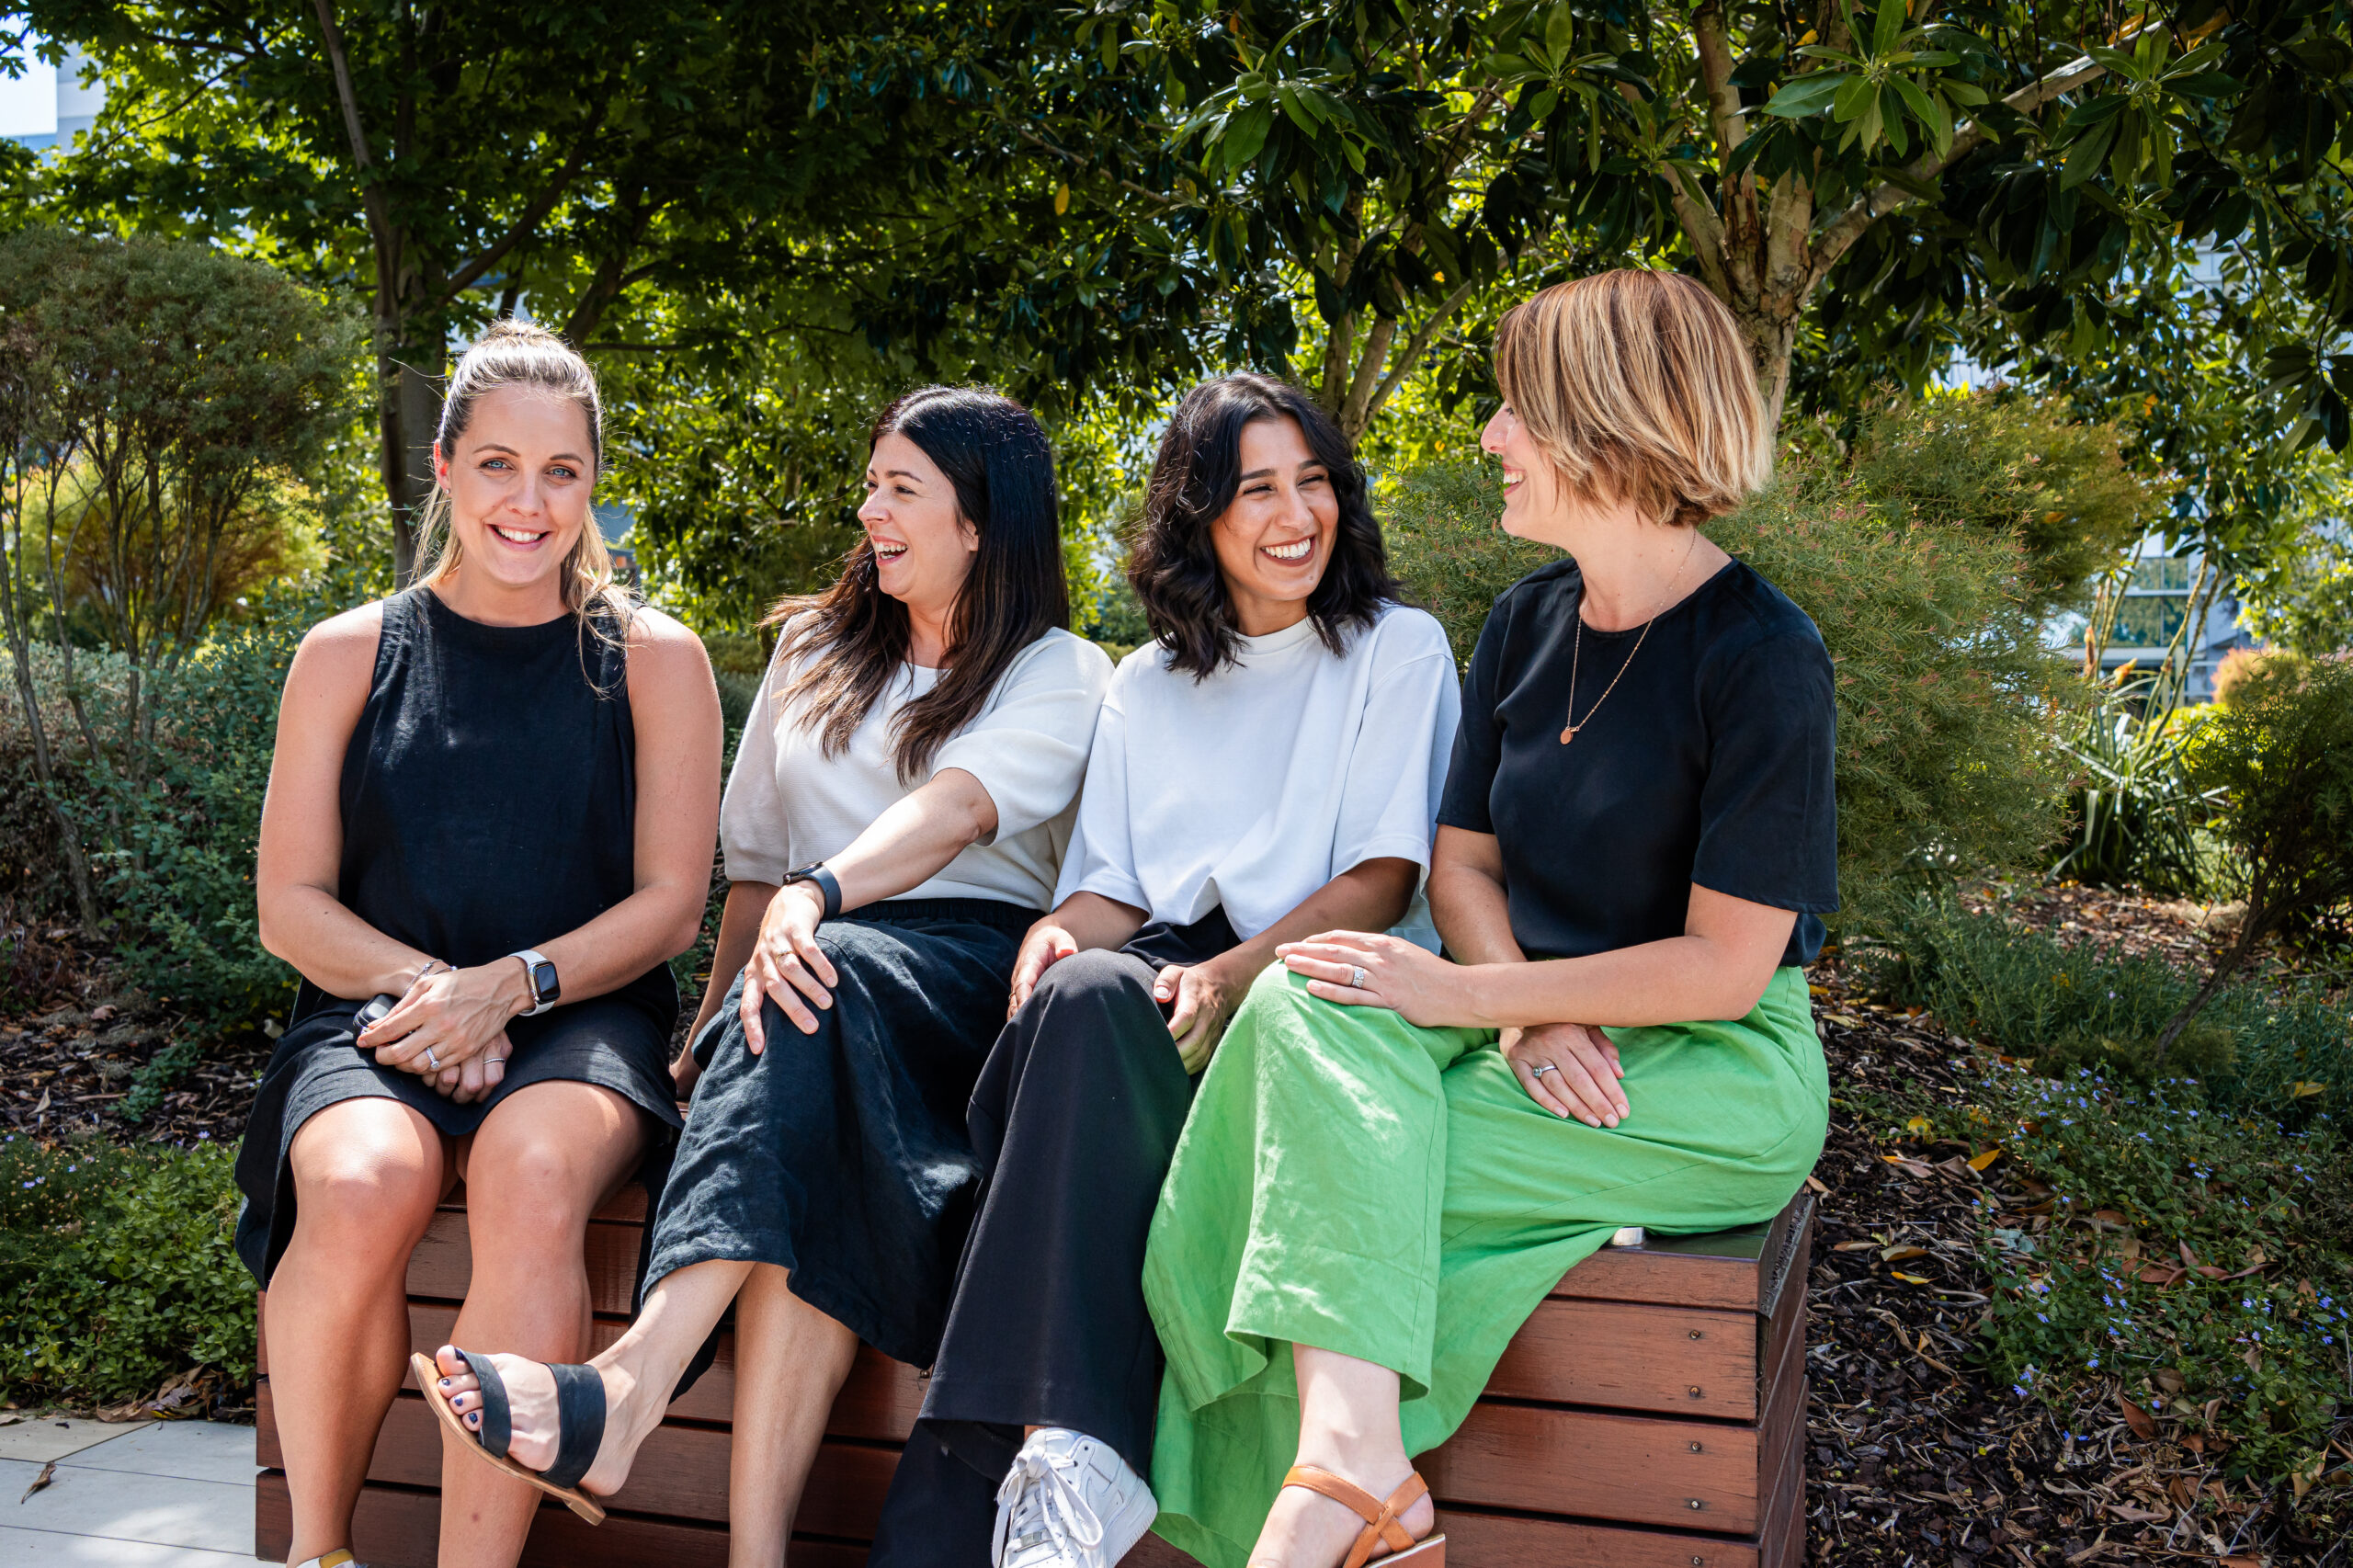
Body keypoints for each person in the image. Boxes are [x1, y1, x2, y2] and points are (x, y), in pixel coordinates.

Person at [1141, 270, 1839, 1568]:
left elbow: (1728, 966)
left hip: (1714, 1064)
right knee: (1307, 991)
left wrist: (1474, 1001)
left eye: (1517, 406)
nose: (1491, 436)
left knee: (1317, 1162)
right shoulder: (1526, 623)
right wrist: (1520, 1009)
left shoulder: (1765, 654)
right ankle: (1353, 1468)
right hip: (1530, 1020)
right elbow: (1461, 868)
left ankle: (1338, 1496)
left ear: (1604, 423)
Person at [420, 386, 1113, 1564]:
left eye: (902, 490)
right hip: (805, 978)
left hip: (962, 977)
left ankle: (629, 1389)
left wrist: (822, 894)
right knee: (798, 1095)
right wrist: (705, 1035)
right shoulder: (813, 646)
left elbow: (954, 813)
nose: (870, 510)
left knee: (812, 982)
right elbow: (753, 870)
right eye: (871, 484)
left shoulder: (1061, 669)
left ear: (982, 522)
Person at [866, 374, 1461, 1568]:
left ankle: (995, 1485)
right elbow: (1112, 891)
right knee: (1073, 987)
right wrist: (1054, 932)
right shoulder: (1145, 683)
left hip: (1313, 978)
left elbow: (1385, 877)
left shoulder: (1397, 647)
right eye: (1258, 490)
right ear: (1199, 515)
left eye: (1315, 482)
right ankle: (1069, 1454)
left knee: (1091, 1010)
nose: (1297, 515)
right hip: (1160, 978)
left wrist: (1235, 973)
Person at [236, 320, 722, 1568]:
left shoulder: (657, 660)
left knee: (534, 1174)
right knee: (354, 1182)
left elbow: (672, 904)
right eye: (498, 463)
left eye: (562, 470)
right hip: (377, 1008)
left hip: (582, 1012)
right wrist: (438, 998)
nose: (529, 499)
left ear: (594, 484)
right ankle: (320, 1551)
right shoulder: (347, 652)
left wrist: (513, 988)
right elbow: (289, 902)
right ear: (442, 468)